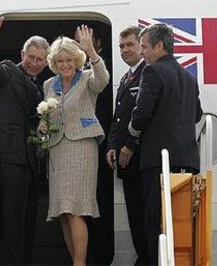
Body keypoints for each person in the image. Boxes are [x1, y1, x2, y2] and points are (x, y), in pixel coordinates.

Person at [0, 5, 49, 265]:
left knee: (28, 221)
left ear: (46, 61)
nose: (34, 62)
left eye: (40, 59)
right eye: (30, 56)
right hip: (9, 158)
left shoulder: (42, 87)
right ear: (23, 54)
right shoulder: (9, 70)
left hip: (30, 161)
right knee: (11, 221)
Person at [129, 23, 203, 265]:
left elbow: (141, 115)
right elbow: (196, 115)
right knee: (181, 222)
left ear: (159, 46)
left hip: (159, 162)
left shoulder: (152, 72)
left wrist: (131, 135)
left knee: (156, 222)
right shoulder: (189, 78)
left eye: (145, 47)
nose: (142, 53)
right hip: (188, 162)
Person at [39, 25, 109, 266]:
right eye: (60, 61)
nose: (65, 65)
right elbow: (48, 116)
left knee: (76, 208)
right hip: (58, 150)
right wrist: (42, 126)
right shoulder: (49, 85)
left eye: (69, 60)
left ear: (76, 60)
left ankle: (80, 263)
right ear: (54, 63)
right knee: (63, 213)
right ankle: (75, 262)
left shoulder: (88, 77)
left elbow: (103, 81)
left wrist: (92, 52)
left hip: (81, 148)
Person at [106, 26, 147, 265]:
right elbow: (118, 118)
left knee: (143, 217)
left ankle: (147, 259)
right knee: (134, 216)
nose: (125, 50)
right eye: (121, 46)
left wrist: (130, 145)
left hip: (140, 159)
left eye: (130, 44)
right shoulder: (126, 78)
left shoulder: (147, 74)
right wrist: (112, 144)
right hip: (126, 162)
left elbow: (143, 117)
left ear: (142, 46)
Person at [74, 23, 114, 265]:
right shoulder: (69, 71)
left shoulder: (103, 64)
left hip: (99, 146)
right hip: (77, 150)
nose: (81, 46)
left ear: (97, 42)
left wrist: (91, 53)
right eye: (77, 42)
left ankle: (101, 256)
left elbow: (104, 97)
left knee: (100, 203)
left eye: (86, 41)